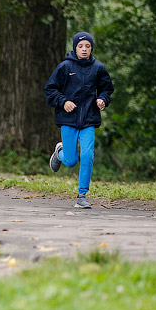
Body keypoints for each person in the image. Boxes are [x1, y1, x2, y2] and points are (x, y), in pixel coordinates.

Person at [44, 31, 114, 208]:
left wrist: (103, 99)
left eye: (87, 46)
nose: (84, 49)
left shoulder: (98, 68)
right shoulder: (65, 67)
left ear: (91, 48)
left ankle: (82, 195)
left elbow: (107, 89)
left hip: (89, 119)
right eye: (80, 46)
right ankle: (60, 153)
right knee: (71, 160)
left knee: (87, 155)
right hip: (68, 119)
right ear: (75, 48)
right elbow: (50, 90)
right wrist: (63, 101)